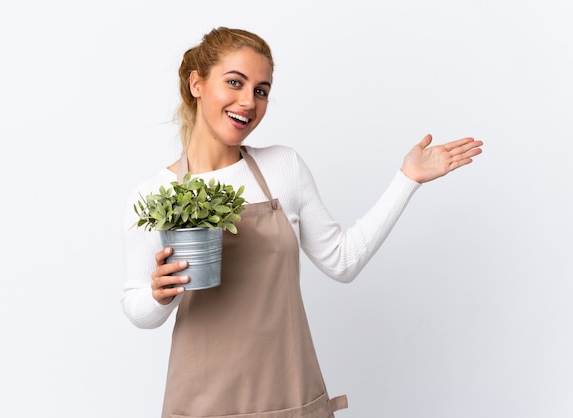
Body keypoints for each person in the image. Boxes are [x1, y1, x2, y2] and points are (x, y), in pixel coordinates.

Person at [122, 27, 483, 418]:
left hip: (289, 394)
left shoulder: (283, 167)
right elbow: (136, 307)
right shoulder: (153, 196)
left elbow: (341, 262)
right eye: (234, 83)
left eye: (261, 90)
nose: (248, 102)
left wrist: (406, 180)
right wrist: (161, 296)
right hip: (201, 403)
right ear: (197, 83)